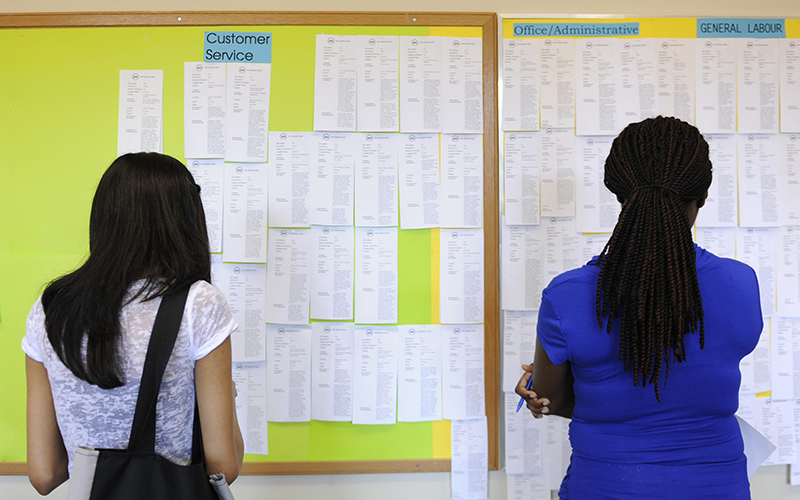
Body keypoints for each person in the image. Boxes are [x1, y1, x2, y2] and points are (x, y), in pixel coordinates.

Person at [515, 117, 762, 499]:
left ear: (617, 195)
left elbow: (554, 400)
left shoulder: (568, 294)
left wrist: (538, 390)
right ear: (704, 194)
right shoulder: (740, 284)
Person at [23, 152, 244, 495]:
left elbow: (44, 474)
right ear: (185, 221)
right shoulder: (198, 303)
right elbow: (223, 467)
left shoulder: (50, 309)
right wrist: (227, 392)